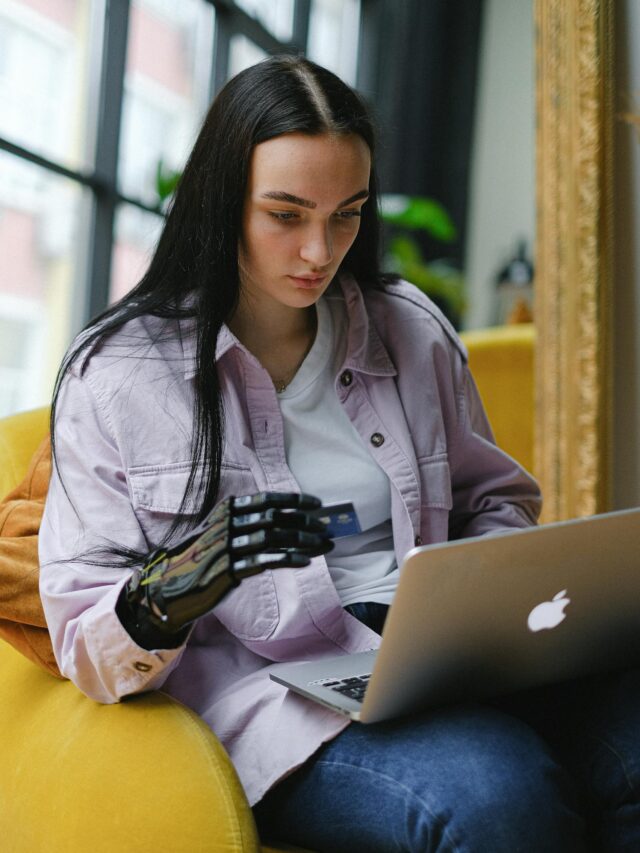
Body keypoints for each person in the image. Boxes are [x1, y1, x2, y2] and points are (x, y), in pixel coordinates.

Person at [38, 55, 640, 852]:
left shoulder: (410, 329)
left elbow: (494, 499)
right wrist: (171, 591)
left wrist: (479, 612)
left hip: (439, 657)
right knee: (495, 796)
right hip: (281, 702)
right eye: (286, 215)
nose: (320, 251)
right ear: (223, 203)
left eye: (347, 213)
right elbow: (85, 636)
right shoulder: (116, 372)